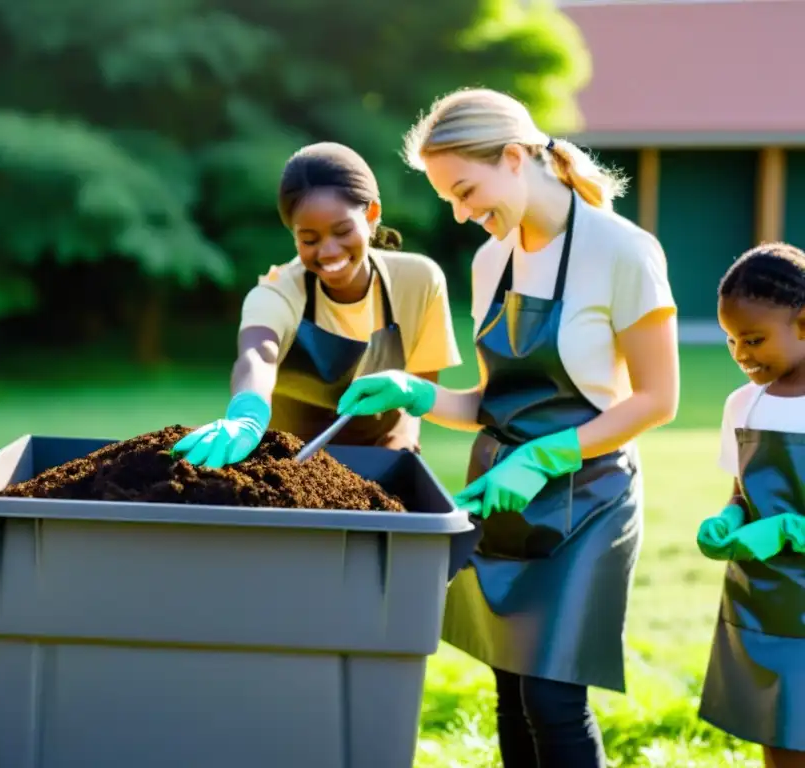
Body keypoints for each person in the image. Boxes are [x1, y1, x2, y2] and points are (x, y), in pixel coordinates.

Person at [336, 88, 680, 767]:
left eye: (467, 190)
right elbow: (493, 403)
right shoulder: (491, 260)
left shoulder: (623, 252)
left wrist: (545, 458)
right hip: (500, 491)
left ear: (516, 157)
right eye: (450, 202)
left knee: (552, 697)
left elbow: (657, 400)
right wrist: (416, 391)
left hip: (591, 497)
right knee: (509, 686)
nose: (464, 215)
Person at [171, 141, 463, 468]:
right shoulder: (277, 292)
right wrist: (247, 417)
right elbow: (258, 355)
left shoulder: (418, 282)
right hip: (286, 469)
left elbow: (420, 387)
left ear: (371, 214)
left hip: (378, 464)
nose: (328, 251)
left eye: (342, 231)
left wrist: (405, 435)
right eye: (310, 239)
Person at [696, 242, 805, 768]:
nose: (741, 354)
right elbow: (742, 488)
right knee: (780, 736)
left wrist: (787, 529)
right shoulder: (743, 404)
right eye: (731, 340)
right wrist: (730, 517)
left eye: (755, 339)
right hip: (763, 602)